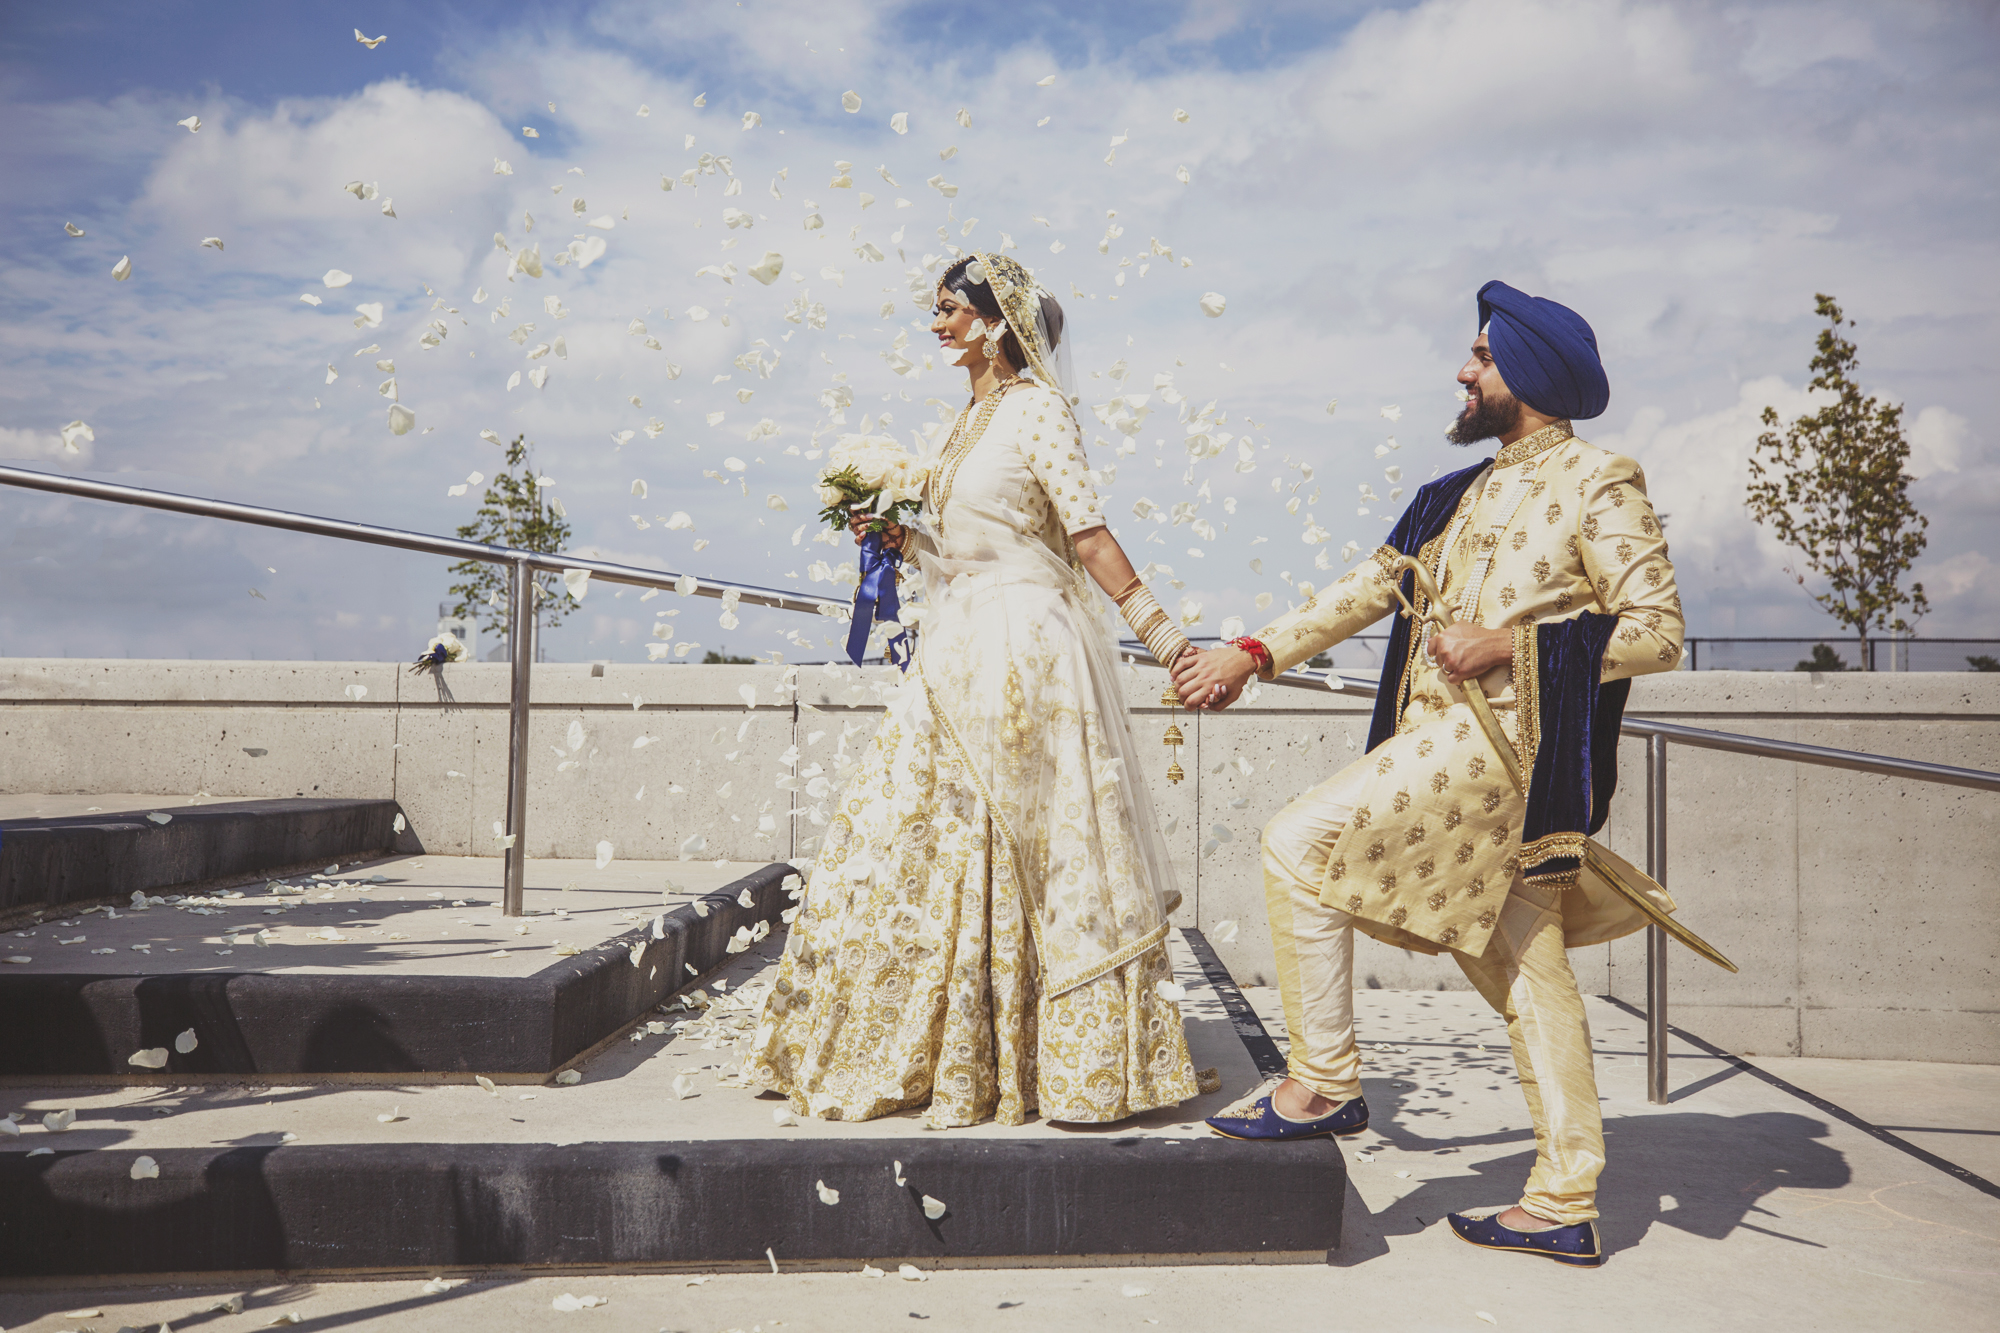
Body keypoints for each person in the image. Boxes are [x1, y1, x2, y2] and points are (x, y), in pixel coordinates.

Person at [1169, 281, 1683, 1267]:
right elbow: (1365, 591)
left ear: (1526, 371)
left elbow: (1658, 633)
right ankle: (1563, 1199)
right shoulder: (1450, 496)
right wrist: (1253, 652)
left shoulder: (1597, 479)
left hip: (1508, 754)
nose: (1462, 370)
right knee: (1526, 968)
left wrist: (1508, 645)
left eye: (1481, 357)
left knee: (1296, 841)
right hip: (1443, 752)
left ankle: (1323, 1080)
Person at [744, 253, 1202, 1128]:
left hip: (1026, 651)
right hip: (958, 648)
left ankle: (1058, 1058)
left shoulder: (1038, 409)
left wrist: (1167, 639)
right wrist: (897, 535)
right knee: (915, 831)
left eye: (950, 309)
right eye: (938, 309)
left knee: (1024, 845)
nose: (936, 324)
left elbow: (1087, 536)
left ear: (996, 322)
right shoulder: (966, 421)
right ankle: (940, 1046)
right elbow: (967, 549)